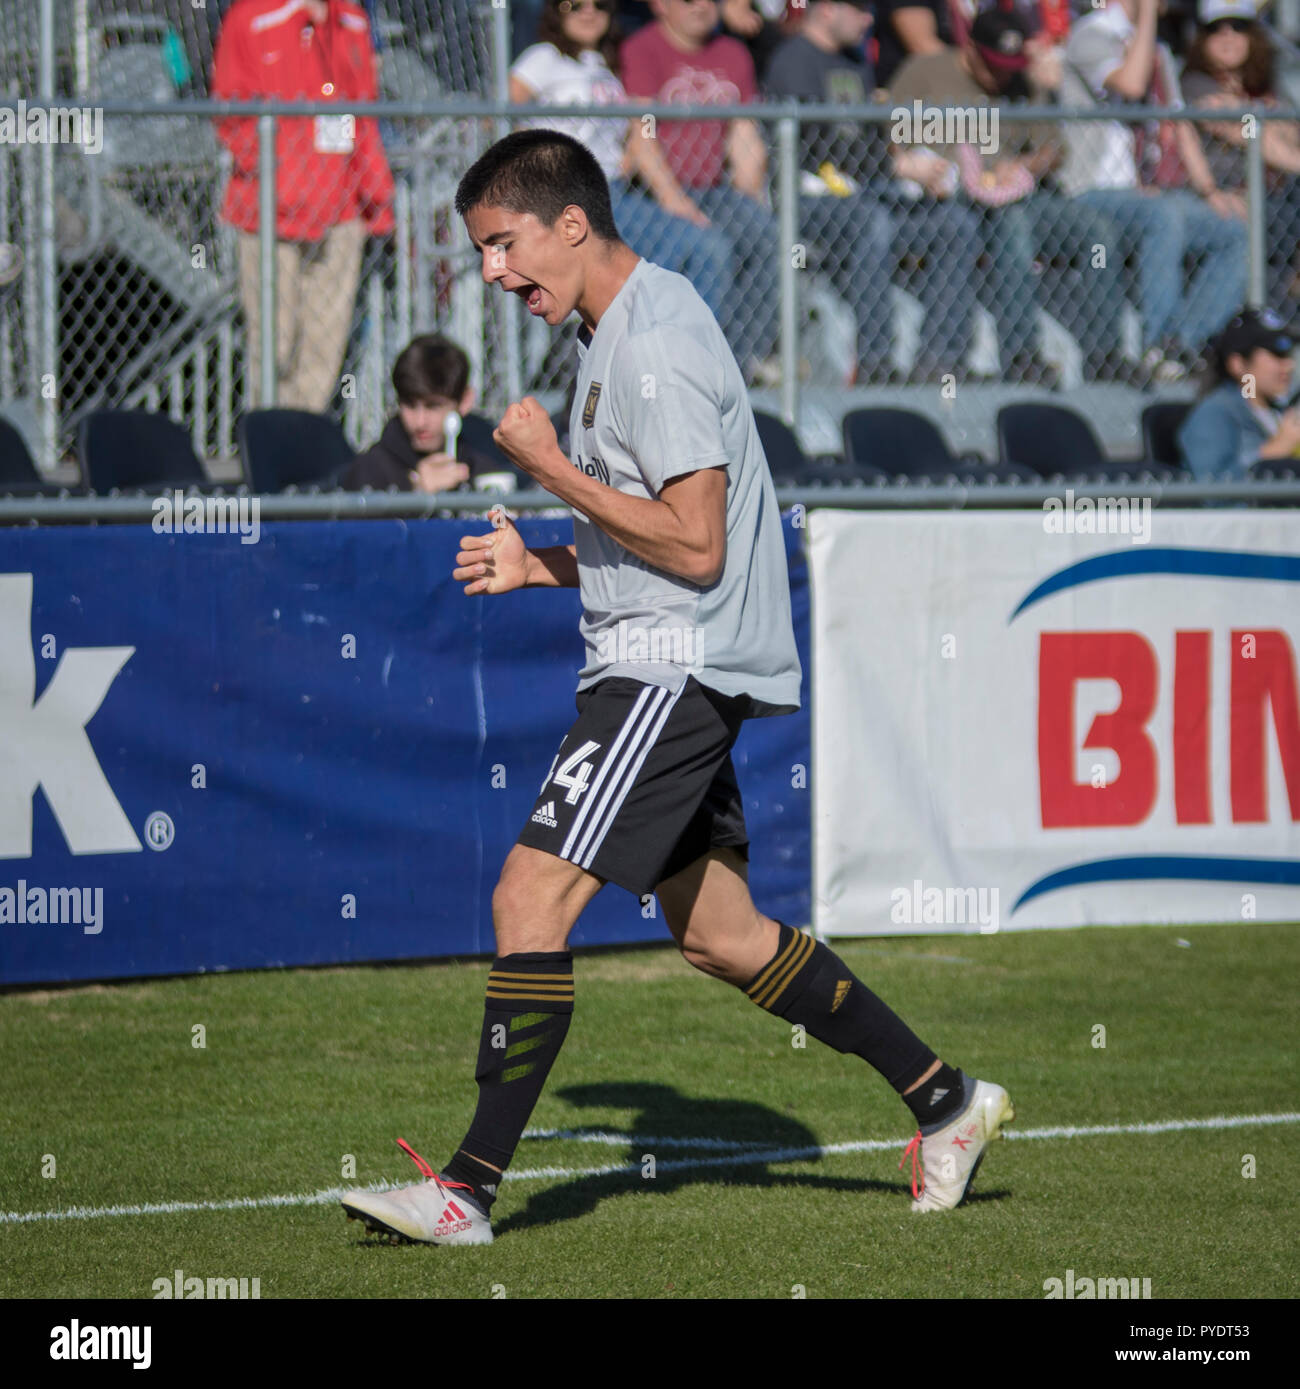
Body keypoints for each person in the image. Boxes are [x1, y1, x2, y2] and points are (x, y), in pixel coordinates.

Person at [338, 129, 1016, 1246]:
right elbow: (659, 531)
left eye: (505, 244)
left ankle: (464, 1192)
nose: (496, 272)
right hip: (669, 658)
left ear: (571, 223)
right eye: (482, 252)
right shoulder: (618, 328)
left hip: (670, 667)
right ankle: (945, 1100)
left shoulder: (647, 341)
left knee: (527, 897)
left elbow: (695, 548)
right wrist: (544, 561)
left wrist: (548, 470)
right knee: (722, 935)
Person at [889, 2, 1126, 383]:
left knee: (1097, 233)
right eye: (992, 63)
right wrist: (920, 164)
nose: (1001, 73)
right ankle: (1022, 356)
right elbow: (886, 135)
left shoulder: (1021, 82)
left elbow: (1052, 149)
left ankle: (1106, 354)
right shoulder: (927, 72)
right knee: (1012, 228)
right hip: (949, 198)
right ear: (970, 49)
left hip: (1019, 195)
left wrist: (1023, 166)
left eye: (1008, 65)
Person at [764, 0, 979, 382]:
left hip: (864, 192)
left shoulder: (854, 62)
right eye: (860, 10)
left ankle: (940, 361)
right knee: (873, 222)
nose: (869, 19)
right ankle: (876, 361)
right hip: (808, 201)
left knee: (955, 225)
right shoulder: (792, 62)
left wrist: (912, 162)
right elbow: (817, 148)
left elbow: (866, 142)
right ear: (827, 9)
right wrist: (897, 166)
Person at [211, 0, 395, 412]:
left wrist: (375, 192)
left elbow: (363, 112)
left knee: (324, 341)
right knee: (274, 337)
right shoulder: (251, 16)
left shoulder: (352, 20)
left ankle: (303, 440)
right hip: (269, 212)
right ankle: (267, 440)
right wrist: (273, 169)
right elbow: (228, 107)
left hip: (341, 208)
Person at [1058, 0, 1247, 383]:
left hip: (1146, 192)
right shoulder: (1090, 35)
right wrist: (1145, 16)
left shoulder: (1156, 49)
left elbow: (1177, 123)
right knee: (1162, 215)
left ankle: (1182, 345)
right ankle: (1159, 341)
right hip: (1092, 188)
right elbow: (1129, 83)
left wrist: (1210, 190)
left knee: (1234, 229)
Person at [509, 0, 733, 323]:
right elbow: (504, 114)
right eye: (575, 5)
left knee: (687, 258)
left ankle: (667, 340)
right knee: (703, 249)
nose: (589, 12)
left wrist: (627, 157)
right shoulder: (545, 57)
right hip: (573, 192)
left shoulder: (607, 63)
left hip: (616, 188)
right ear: (556, 11)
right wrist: (541, 162)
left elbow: (628, 130)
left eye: (599, 5)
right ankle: (681, 345)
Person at [620, 0, 782, 383]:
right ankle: (701, 365)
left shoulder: (732, 52)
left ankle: (741, 361)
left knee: (768, 237)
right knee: (713, 248)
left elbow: (744, 135)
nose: (703, 7)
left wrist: (752, 197)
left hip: (714, 189)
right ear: (660, 5)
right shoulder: (642, 48)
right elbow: (641, 135)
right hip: (652, 192)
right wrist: (674, 200)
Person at [1180, 0, 1300, 305]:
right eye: (1215, 29)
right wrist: (1261, 121)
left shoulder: (1262, 87)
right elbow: (1248, 135)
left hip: (1271, 197)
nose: (1228, 36)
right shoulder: (1194, 83)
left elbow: (1287, 133)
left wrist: (1249, 114)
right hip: (1223, 196)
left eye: (1239, 27)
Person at [341, 334, 499, 492]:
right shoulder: (371, 470)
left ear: (465, 401)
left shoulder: (480, 467)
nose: (420, 422)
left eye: (433, 406)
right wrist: (417, 495)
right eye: (409, 405)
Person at [1177, 307, 1300, 479]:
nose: (1289, 365)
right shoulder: (1214, 414)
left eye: (1288, 355)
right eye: (1277, 354)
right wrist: (1275, 450)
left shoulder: (1280, 412)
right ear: (1239, 364)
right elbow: (1211, 492)